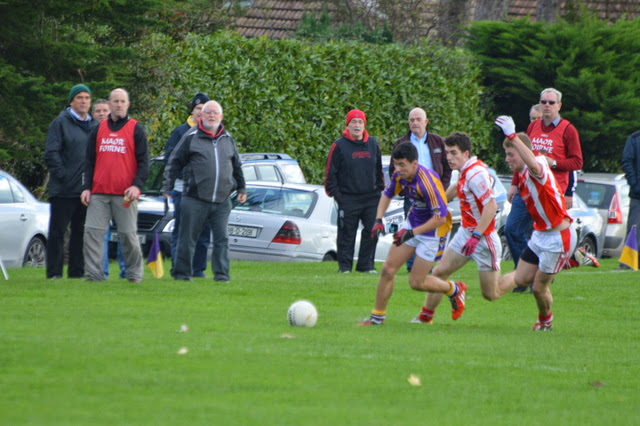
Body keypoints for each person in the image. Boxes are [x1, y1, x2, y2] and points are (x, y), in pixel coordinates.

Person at [413, 132, 505, 324]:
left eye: (453, 153)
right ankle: (425, 317)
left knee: (491, 294)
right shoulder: (465, 170)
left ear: (466, 153)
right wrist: (438, 204)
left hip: (483, 238)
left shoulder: (476, 173)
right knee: (439, 272)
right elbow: (457, 187)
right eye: (447, 153)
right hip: (466, 233)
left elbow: (491, 206)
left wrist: (476, 235)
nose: (449, 158)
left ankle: (522, 276)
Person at [358, 143, 454, 325]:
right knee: (387, 269)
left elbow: (440, 218)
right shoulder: (399, 175)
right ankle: (377, 318)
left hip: (433, 231)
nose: (398, 169)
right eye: (396, 164)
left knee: (416, 282)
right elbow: (387, 194)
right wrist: (378, 220)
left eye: (402, 165)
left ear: (415, 164)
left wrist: (411, 233)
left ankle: (454, 289)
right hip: (413, 223)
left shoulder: (427, 183)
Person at [495, 116, 576, 331]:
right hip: (541, 234)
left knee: (539, 288)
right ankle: (571, 260)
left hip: (558, 236)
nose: (507, 159)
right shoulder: (521, 174)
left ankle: (545, 322)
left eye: (510, 154)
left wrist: (512, 135)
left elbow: (534, 164)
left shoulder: (537, 164)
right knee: (521, 279)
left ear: (522, 152)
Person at [162, 100, 246, 282]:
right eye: (208, 112)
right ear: (202, 115)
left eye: (215, 113)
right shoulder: (191, 136)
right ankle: (182, 274)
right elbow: (174, 161)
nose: (211, 116)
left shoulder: (227, 138)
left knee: (222, 239)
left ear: (221, 117)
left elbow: (236, 165)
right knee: (187, 238)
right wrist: (167, 186)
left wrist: (241, 187)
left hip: (222, 199)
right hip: (194, 197)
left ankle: (222, 275)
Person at [505, 88, 583, 271]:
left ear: (559, 105)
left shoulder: (568, 130)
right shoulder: (533, 127)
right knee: (511, 229)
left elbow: (577, 162)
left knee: (543, 233)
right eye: (544, 102)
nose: (547, 106)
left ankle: (540, 274)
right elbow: (521, 155)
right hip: (527, 188)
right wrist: (514, 184)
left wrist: (554, 163)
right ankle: (523, 272)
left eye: (551, 102)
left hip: (550, 192)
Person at [81, 88, 149, 283]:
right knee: (92, 234)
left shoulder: (136, 128)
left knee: (128, 235)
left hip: (125, 194)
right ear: (109, 104)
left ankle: (134, 275)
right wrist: (86, 187)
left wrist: (137, 186)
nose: (119, 104)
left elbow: (145, 162)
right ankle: (94, 276)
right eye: (115, 101)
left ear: (128, 104)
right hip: (99, 192)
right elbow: (89, 161)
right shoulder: (98, 129)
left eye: (122, 101)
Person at [43, 84, 96, 279]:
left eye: (87, 98)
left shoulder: (94, 126)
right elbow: (51, 153)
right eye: (79, 97)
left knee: (80, 234)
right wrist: (63, 176)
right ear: (71, 101)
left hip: (85, 190)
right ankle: (54, 273)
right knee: (57, 233)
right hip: (63, 189)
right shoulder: (60, 123)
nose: (83, 101)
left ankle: (76, 273)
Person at [389, 107, 452, 272]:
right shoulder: (400, 143)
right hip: (412, 195)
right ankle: (411, 265)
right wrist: (404, 189)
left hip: (434, 195)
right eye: (412, 120)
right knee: (411, 228)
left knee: (432, 227)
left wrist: (442, 189)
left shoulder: (438, 141)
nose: (415, 123)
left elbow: (447, 167)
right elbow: (393, 170)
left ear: (426, 122)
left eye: (418, 119)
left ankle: (427, 265)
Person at [324, 109, 384, 274]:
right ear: (348, 125)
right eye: (353, 122)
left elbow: (379, 169)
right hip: (348, 198)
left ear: (364, 125)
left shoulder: (372, 144)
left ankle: (366, 266)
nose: (357, 126)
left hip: (371, 198)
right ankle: (344, 267)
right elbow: (330, 174)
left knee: (372, 231)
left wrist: (380, 190)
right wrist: (338, 196)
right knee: (346, 234)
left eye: (360, 122)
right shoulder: (339, 146)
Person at [164, 92, 211, 278]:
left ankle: (198, 269)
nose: (201, 112)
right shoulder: (180, 132)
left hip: (205, 192)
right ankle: (179, 268)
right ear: (192, 110)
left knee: (203, 232)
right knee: (182, 231)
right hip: (182, 190)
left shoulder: (214, 132)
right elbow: (170, 159)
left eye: (205, 109)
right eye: (198, 109)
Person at [92, 99, 127, 279]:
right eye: (97, 111)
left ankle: (126, 271)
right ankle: (101, 272)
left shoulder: (127, 130)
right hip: (99, 191)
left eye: (104, 110)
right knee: (100, 234)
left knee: (124, 233)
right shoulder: (93, 133)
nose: (101, 114)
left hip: (122, 191)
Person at [619, 130, 640, 269]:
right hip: (638, 195)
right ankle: (628, 264)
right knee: (635, 229)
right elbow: (626, 161)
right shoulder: (634, 138)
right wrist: (635, 184)